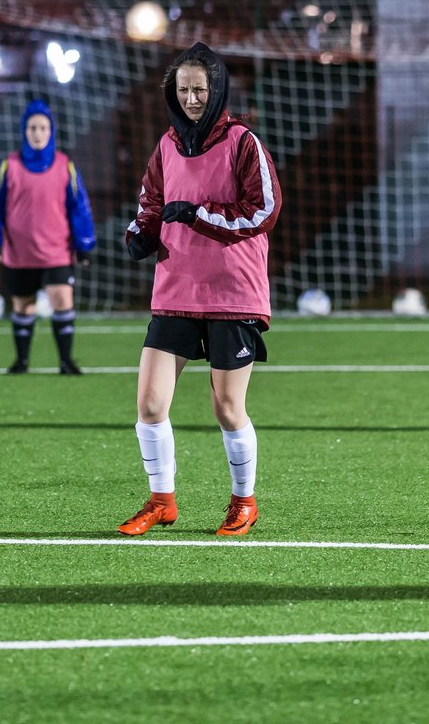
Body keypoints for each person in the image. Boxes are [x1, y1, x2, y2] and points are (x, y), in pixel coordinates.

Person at [118, 42, 282, 537]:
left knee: (227, 408)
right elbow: (151, 201)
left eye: (199, 89)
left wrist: (197, 214)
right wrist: (141, 233)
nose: (191, 98)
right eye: (183, 89)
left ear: (217, 91)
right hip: (176, 289)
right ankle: (161, 499)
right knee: (149, 403)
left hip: (233, 292)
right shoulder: (166, 145)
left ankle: (243, 502)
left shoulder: (243, 142)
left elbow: (263, 211)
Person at [0, 99, 96, 375]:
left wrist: (84, 243)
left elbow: (78, 206)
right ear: (24, 131)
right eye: (32, 127)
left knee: (62, 300)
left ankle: (66, 361)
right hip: (19, 251)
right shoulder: (9, 166)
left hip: (56, 250)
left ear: (51, 131)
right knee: (23, 305)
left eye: (43, 128)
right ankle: (21, 362)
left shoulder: (64, 165)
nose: (37, 133)